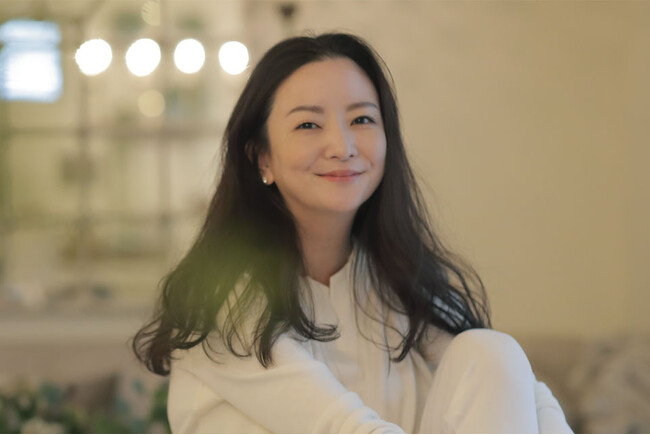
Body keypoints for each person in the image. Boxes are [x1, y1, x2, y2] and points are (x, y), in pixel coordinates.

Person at [133, 32, 572, 433]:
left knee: (491, 352)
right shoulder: (222, 300)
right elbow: (346, 428)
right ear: (262, 157)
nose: (342, 147)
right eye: (308, 125)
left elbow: (523, 392)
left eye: (361, 120)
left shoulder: (396, 282)